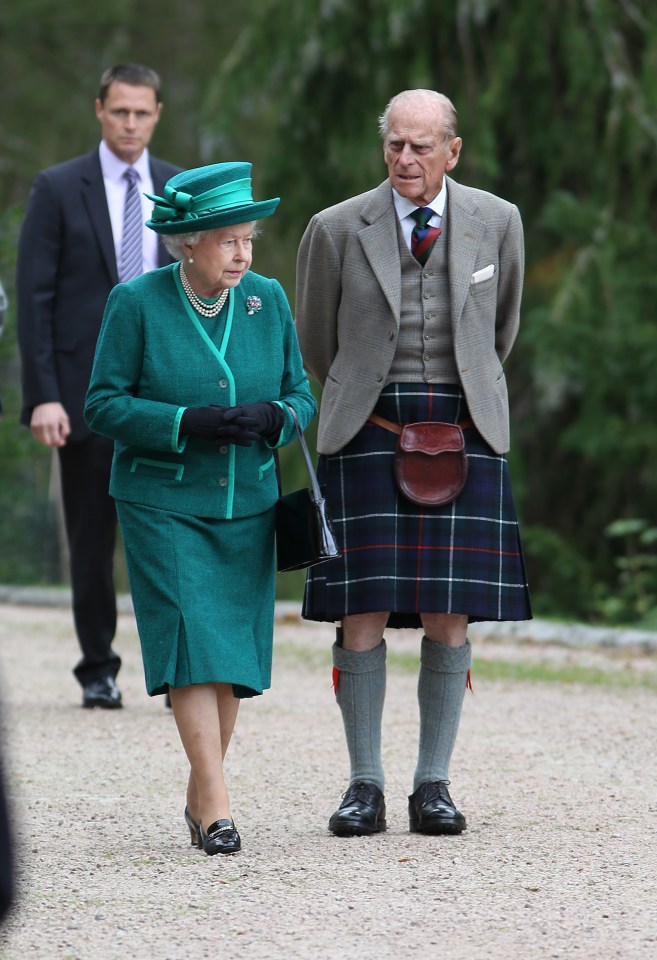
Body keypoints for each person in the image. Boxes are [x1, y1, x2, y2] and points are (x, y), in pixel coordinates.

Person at [296, 89, 531, 838]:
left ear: (451, 151)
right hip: (368, 425)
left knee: (448, 612)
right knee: (357, 609)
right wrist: (368, 399)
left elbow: (502, 330)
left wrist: (459, 398)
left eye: (421, 146)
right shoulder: (334, 228)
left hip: (463, 426)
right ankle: (362, 784)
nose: (405, 159)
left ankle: (433, 785)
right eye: (395, 144)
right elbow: (315, 342)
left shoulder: (498, 221)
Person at [84, 161, 316, 855]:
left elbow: (303, 396)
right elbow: (103, 405)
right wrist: (187, 422)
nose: (243, 254)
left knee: (233, 658)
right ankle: (216, 805)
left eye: (248, 239)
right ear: (187, 244)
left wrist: (271, 416)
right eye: (228, 241)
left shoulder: (266, 301)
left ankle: (198, 792)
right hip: (162, 500)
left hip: (247, 500)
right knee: (190, 643)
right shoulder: (136, 302)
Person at [16, 63, 181, 710]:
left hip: (166, 398)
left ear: (158, 113)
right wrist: (42, 395)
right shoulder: (58, 188)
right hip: (84, 396)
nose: (131, 124)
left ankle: (178, 669)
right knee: (92, 539)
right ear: (99, 110)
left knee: (170, 538)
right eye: (120, 112)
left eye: (142, 113)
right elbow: (36, 298)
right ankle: (98, 668)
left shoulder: (175, 188)